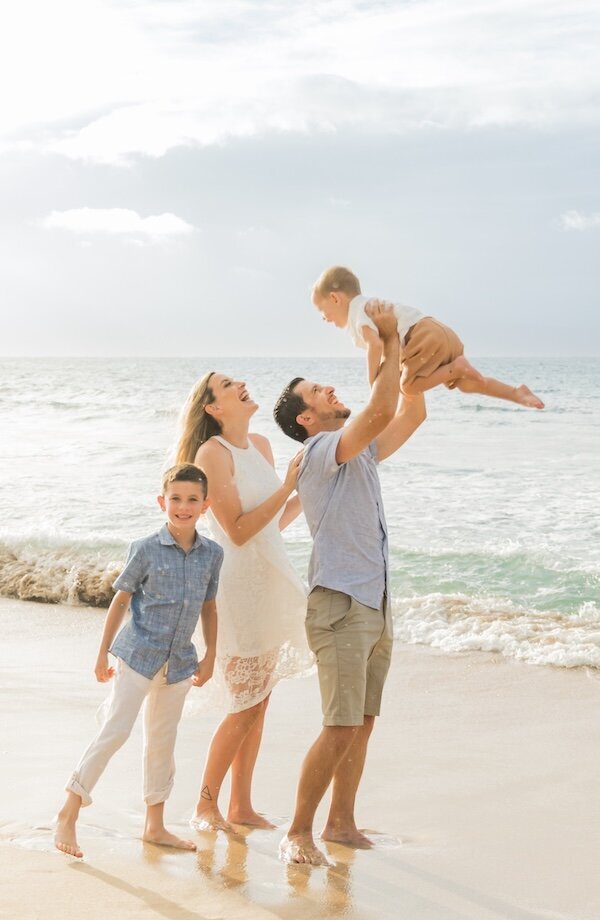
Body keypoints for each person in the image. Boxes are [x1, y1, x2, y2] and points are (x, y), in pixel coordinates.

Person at [273, 302, 426, 865]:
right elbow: (381, 406)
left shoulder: (357, 453)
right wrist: (384, 337)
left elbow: (406, 414)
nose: (330, 390)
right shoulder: (318, 452)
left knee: (361, 724)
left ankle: (341, 823)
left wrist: (407, 363)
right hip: (340, 603)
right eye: (318, 391)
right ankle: (297, 831)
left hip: (374, 600)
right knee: (339, 727)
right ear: (306, 419)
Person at [54, 463, 223, 858]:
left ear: (206, 505)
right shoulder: (144, 548)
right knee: (116, 730)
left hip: (180, 662)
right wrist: (102, 652)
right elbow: (121, 600)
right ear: (162, 502)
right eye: (176, 499)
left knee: (163, 742)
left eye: (192, 500)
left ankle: (155, 825)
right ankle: (69, 809)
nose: (183, 507)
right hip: (137, 656)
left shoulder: (212, 554)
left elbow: (210, 607)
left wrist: (211, 653)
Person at [174, 372, 312, 832]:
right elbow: (236, 529)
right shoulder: (211, 453)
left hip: (269, 582)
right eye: (229, 384)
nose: (241, 385)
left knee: (261, 701)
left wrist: (308, 490)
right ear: (214, 407)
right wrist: (288, 484)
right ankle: (205, 805)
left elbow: (270, 523)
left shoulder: (260, 444)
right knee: (244, 705)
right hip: (239, 590)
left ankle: (241, 807)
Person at [312, 265, 544, 409]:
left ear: (335, 298)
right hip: (438, 333)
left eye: (323, 313)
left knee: (410, 387)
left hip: (422, 337)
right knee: (468, 385)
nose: (325, 319)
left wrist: (373, 383)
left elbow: (375, 345)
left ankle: (456, 368)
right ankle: (516, 393)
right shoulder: (371, 305)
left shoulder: (359, 310)